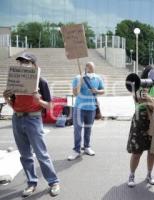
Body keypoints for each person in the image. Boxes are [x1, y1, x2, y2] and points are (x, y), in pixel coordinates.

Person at [2, 52, 60, 197]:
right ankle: (31, 183)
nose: (23, 64)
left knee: (41, 154)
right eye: (21, 62)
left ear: (34, 65)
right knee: (25, 155)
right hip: (17, 119)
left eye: (26, 62)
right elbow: (13, 105)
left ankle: (53, 182)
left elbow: (50, 106)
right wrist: (6, 98)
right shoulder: (15, 81)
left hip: (33, 120)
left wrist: (38, 100)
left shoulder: (42, 82)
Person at [127, 65, 154, 187]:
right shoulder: (138, 87)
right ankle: (131, 174)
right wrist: (150, 99)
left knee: (152, 151)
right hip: (139, 121)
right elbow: (138, 100)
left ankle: (149, 174)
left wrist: (148, 98)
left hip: (152, 121)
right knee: (137, 152)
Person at [67, 62, 105, 160]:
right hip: (79, 108)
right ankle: (76, 150)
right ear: (86, 68)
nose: (91, 71)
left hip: (91, 108)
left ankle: (87, 146)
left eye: (93, 69)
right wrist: (80, 81)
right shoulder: (78, 78)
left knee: (88, 129)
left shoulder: (98, 78)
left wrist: (96, 91)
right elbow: (75, 93)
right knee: (77, 130)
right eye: (90, 69)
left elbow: (103, 90)